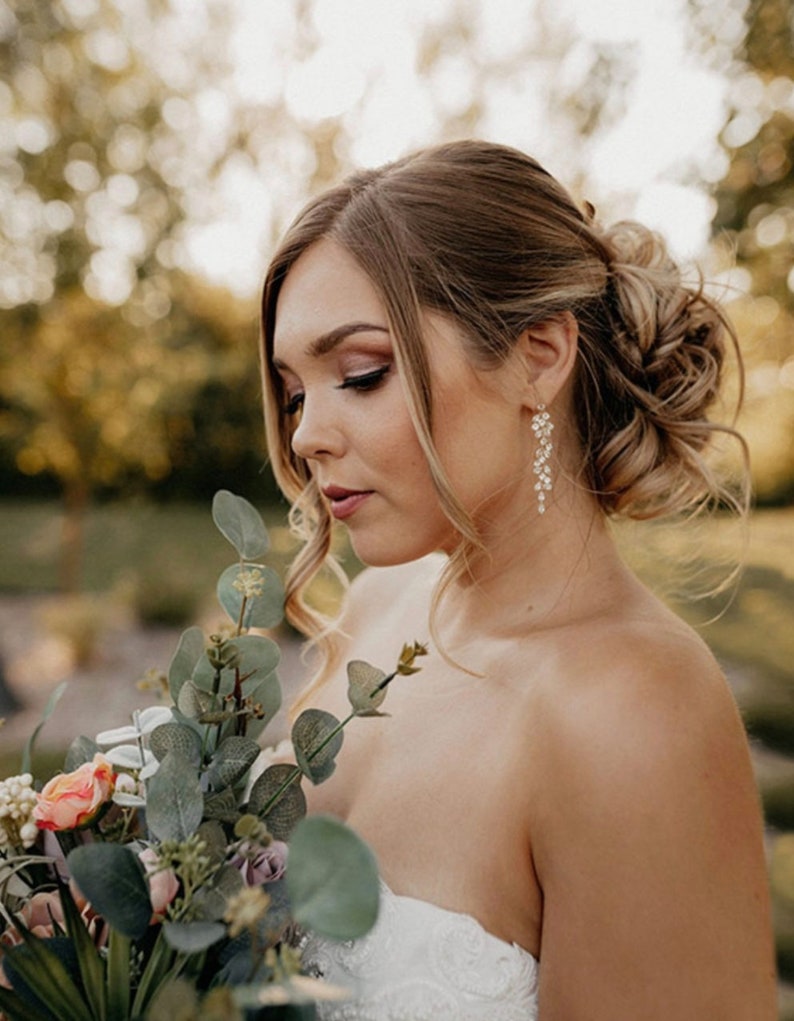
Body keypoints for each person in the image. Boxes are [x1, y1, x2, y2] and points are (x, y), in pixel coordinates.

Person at [259, 140, 776, 1019]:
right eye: (295, 390)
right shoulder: (380, 610)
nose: (306, 434)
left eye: (360, 374)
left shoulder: (635, 712)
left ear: (539, 356)